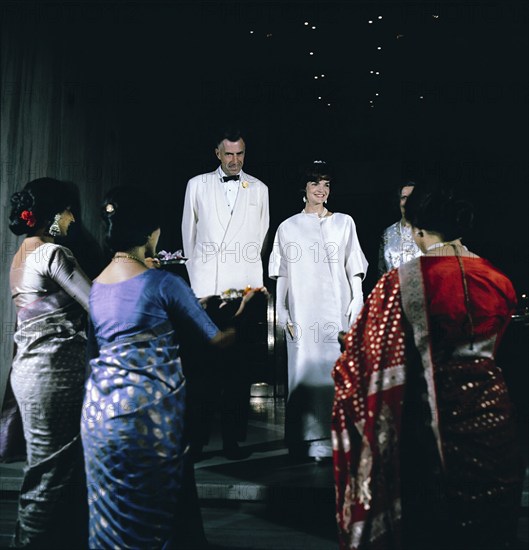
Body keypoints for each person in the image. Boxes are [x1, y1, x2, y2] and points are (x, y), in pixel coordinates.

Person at [332, 185, 524, 550]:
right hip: (494, 418)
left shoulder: (400, 282)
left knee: (436, 525)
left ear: (417, 230)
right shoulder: (498, 280)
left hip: (431, 422)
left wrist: (350, 347)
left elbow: (367, 349)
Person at [82, 186, 262, 549]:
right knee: (154, 519)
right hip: (148, 419)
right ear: (151, 233)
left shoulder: (97, 286)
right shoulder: (164, 281)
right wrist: (245, 311)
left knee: (110, 517)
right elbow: (217, 339)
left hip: (99, 416)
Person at [7, 177, 92, 549]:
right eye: (71, 210)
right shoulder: (54, 254)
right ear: (56, 215)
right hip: (54, 373)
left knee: (48, 469)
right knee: (52, 474)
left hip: (28, 371)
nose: (74, 218)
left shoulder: (22, 253)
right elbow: (97, 304)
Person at [269, 160, 368, 461]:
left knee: (336, 370)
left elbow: (354, 262)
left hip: (337, 308)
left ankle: (340, 437)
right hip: (303, 310)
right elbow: (282, 271)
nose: (321, 190)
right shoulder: (288, 227)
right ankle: (305, 440)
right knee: (304, 369)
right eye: (315, 184)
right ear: (305, 187)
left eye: (326, 184)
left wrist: (358, 296)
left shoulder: (344, 222)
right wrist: (282, 309)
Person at [181, 128, 270, 459]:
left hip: (241, 292)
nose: (235, 161)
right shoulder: (197, 185)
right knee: (201, 371)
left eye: (240, 154)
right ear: (217, 153)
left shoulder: (259, 189)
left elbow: (259, 239)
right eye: (229, 154)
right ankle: (197, 440)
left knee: (237, 371)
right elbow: (188, 236)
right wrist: (199, 284)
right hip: (205, 291)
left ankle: (233, 439)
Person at [378, 180, 422, 275]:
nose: (408, 202)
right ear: (398, 201)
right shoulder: (388, 233)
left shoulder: (430, 231)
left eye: (412, 197)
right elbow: (382, 272)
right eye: (404, 198)